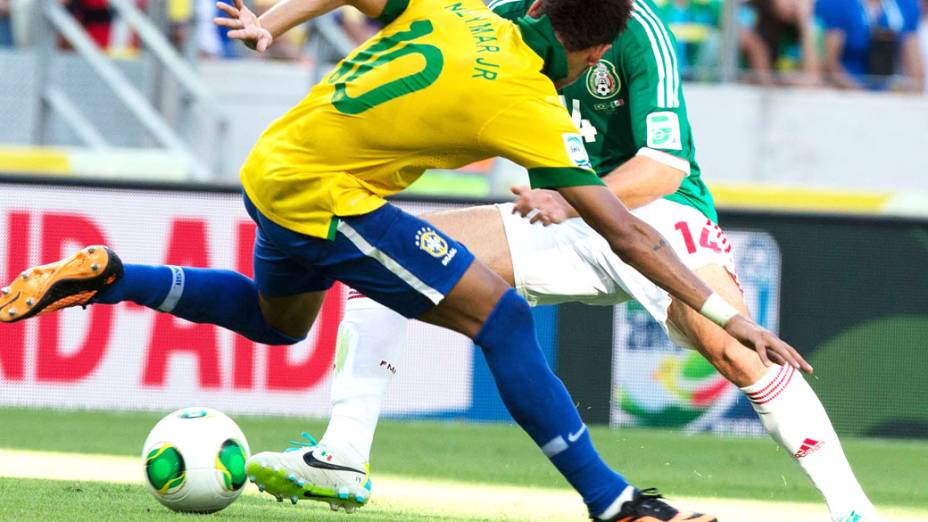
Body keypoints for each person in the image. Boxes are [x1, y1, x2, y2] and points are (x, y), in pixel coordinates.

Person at [0, 0, 804, 519]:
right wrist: (730, 315)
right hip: (327, 193)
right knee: (504, 315)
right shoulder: (526, 101)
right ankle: (616, 504)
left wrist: (277, 22)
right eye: (593, 63)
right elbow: (631, 234)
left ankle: (109, 277)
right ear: (590, 52)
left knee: (276, 323)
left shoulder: (458, 11)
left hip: (275, 164)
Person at [299, 0, 879, 521]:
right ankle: (344, 453)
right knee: (384, 260)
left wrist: (570, 198)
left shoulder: (638, 28)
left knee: (734, 347)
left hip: (656, 213)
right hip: (558, 216)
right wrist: (277, 23)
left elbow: (663, 167)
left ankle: (854, 513)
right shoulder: (500, 21)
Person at [816, 0, 924, 91]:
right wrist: (862, 93)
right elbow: (830, 63)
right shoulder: (836, 3)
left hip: (888, 92)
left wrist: (904, 90)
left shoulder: (905, 5)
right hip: (845, 92)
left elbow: (915, 69)